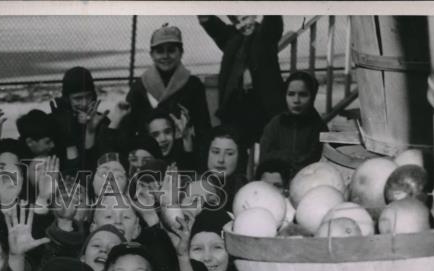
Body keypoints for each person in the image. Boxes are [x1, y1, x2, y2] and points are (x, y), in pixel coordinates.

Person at [124, 23, 211, 156]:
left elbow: (203, 129)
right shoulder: (140, 85)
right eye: (159, 51)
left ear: (181, 52)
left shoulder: (193, 85)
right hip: (149, 155)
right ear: (151, 55)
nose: (165, 56)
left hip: (183, 154)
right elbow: (127, 129)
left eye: (171, 50)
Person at [199, 14, 286, 145]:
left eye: (245, 18)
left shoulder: (266, 35)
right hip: (236, 106)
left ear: (254, 16)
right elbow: (210, 22)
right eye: (236, 21)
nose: (242, 24)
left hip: (263, 107)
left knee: (266, 147)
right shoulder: (231, 37)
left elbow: (273, 19)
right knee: (237, 148)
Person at [258, 71, 328, 172]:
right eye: (291, 94)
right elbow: (265, 159)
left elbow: (319, 163)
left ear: (312, 97)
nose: (296, 100)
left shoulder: (319, 128)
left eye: (303, 95)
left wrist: (283, 157)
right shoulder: (275, 125)